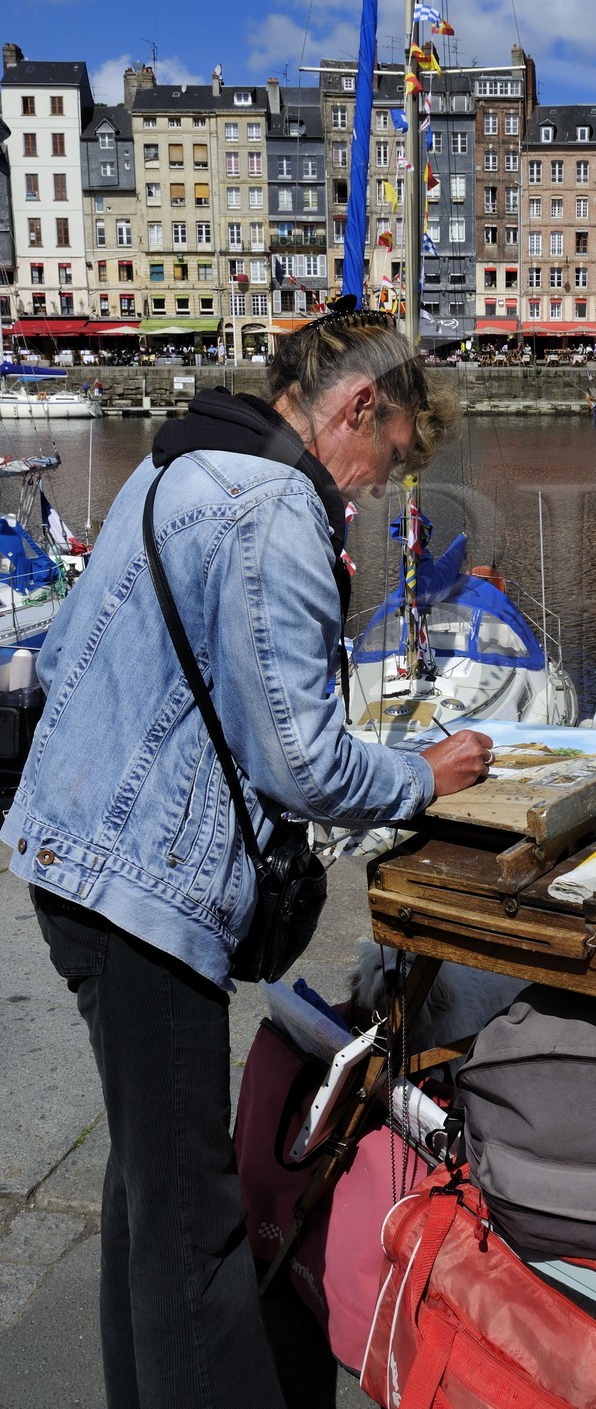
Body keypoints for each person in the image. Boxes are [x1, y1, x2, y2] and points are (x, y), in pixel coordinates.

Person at [1, 308, 493, 1409]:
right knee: (193, 1224)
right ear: (357, 405)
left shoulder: (174, 461)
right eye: (388, 456)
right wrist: (426, 775)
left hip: (70, 859)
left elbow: (71, 647)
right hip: (141, 894)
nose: (370, 491)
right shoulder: (279, 507)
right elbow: (306, 765)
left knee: (145, 1190)